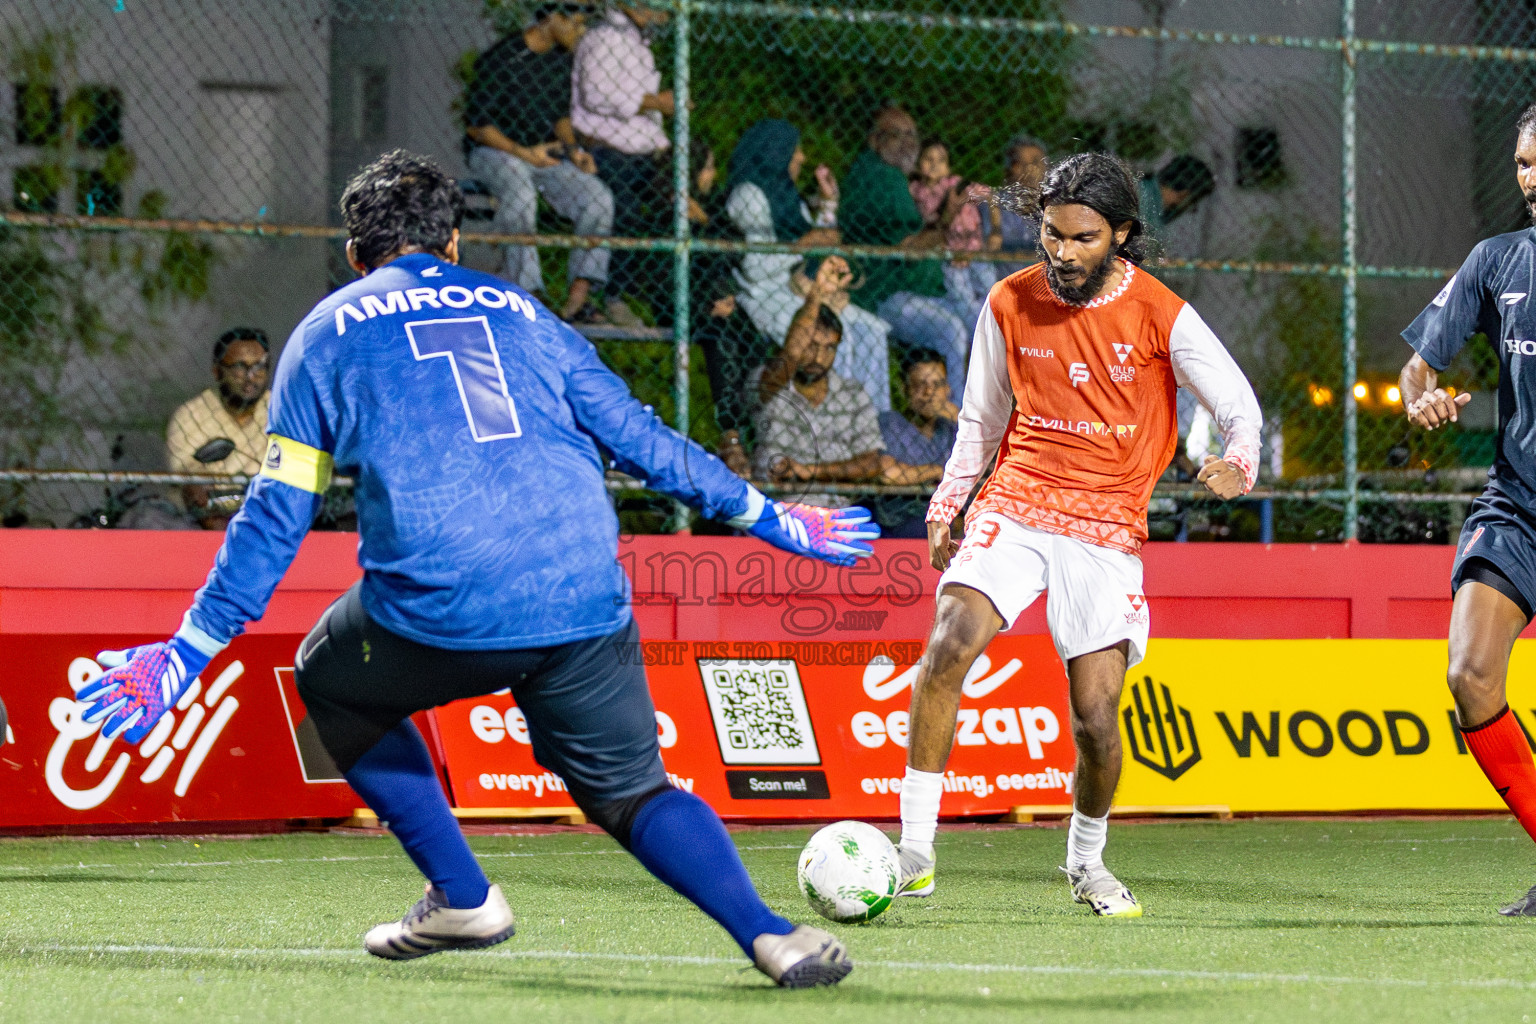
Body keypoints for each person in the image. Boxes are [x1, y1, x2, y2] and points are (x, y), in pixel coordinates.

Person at [78, 151, 877, 987]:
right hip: (578, 592)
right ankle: (772, 935)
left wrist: (189, 651)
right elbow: (642, 441)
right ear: (454, 243)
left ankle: (462, 894)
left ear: (354, 255)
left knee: (329, 678)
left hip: (440, 606)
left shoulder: (322, 335)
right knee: (634, 791)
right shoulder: (528, 314)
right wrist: (771, 516)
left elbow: (277, 516)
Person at [889, 153, 1261, 917]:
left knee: (1095, 719)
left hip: (1106, 522)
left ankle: (1087, 863)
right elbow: (981, 419)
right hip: (1019, 499)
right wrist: (949, 502)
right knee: (947, 645)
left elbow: (1237, 404)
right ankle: (914, 853)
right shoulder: (1008, 301)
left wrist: (1239, 461)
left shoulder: (1160, 311)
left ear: (1120, 234)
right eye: (1051, 235)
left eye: (1082, 238)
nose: (1062, 253)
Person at [1397, 102, 1536, 917]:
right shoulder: (1497, 260)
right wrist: (1419, 399)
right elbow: (1419, 369)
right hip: (1517, 506)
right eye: (1523, 162)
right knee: (1470, 674)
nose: (1531, 177)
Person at [725, 118, 894, 412]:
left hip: (800, 289)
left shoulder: (787, 194)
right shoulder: (748, 195)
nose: (802, 158)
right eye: (796, 150)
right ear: (777, 152)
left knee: (873, 331)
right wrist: (801, 248)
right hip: (765, 295)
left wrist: (828, 206)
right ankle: (834, 419)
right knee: (840, 338)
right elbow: (755, 268)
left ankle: (874, 421)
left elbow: (814, 242)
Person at [463, 2, 614, 323]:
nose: (581, 31)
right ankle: (528, 293)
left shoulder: (560, 60)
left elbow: (560, 117)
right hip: (496, 152)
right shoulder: (503, 58)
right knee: (520, 190)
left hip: (541, 155)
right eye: (576, 23)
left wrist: (574, 151)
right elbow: (478, 127)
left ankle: (579, 301)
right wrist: (523, 152)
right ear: (553, 18)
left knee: (598, 198)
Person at [840, 106, 971, 401]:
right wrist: (947, 219)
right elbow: (910, 249)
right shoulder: (885, 178)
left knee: (976, 318)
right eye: (898, 135)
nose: (909, 143)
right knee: (952, 329)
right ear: (875, 139)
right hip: (885, 294)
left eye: (913, 135)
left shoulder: (872, 171)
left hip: (906, 289)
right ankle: (958, 417)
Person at [752, 256, 884, 507]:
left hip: (837, 512)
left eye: (829, 348)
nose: (818, 357)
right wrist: (816, 295)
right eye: (811, 346)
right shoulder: (769, 385)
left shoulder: (852, 393)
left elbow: (872, 463)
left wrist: (810, 471)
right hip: (778, 511)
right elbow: (792, 355)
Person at [571, 3, 673, 326]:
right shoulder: (605, 37)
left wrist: (662, 143)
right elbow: (596, 94)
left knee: (668, 209)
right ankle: (611, 295)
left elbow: (643, 111)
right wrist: (655, 102)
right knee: (625, 212)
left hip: (639, 153)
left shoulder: (637, 42)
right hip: (609, 151)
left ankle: (657, 299)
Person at [166, 327, 271, 529]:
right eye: (240, 367)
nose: (251, 377)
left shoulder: (281, 411)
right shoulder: (191, 415)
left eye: (259, 367)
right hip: (203, 520)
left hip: (268, 516)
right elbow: (192, 487)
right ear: (217, 371)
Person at [910, 138, 995, 327]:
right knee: (963, 300)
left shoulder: (955, 184)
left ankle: (994, 329)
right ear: (917, 162)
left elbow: (989, 195)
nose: (935, 165)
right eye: (928, 159)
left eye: (941, 160)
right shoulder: (916, 190)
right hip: (950, 256)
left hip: (974, 249)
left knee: (991, 293)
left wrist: (995, 231)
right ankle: (976, 333)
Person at [876, 348, 958, 538]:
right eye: (920, 385)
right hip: (900, 519)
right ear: (905, 389)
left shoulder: (952, 429)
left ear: (947, 390)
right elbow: (889, 474)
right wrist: (935, 471)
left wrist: (961, 418)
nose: (929, 392)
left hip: (947, 517)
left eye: (937, 385)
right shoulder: (890, 423)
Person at [982, 133, 1049, 278]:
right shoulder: (994, 204)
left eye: (1036, 163)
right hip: (1005, 282)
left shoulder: (1055, 206)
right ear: (1010, 168)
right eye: (1022, 164)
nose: (1031, 170)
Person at [1138, 154, 1215, 239]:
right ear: (1184, 194)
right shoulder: (1153, 228)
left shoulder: (1136, 182)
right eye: (1193, 202)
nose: (1189, 208)